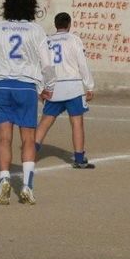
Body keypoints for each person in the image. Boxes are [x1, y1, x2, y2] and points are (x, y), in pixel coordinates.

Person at [0, 0, 56, 206]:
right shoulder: (36, 30)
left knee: (4, 138)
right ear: (31, 8)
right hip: (26, 87)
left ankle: (4, 179)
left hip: (0, 86)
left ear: (7, 7)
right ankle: (27, 186)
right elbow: (47, 64)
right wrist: (48, 87)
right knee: (28, 138)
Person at [34, 12, 96, 169]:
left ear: (55, 25)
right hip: (73, 87)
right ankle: (79, 159)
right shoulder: (74, 39)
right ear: (69, 24)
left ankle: (30, 153)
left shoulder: (46, 41)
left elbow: (42, 66)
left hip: (54, 87)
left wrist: (41, 88)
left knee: (45, 122)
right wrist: (89, 86)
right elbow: (82, 64)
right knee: (77, 122)